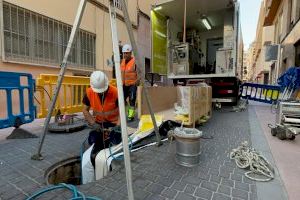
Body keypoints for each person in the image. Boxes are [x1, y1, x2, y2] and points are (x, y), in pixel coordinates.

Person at [81, 71, 121, 184]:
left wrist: (118, 126)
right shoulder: (89, 92)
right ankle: (96, 156)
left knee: (116, 140)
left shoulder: (116, 92)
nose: (101, 93)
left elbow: (124, 110)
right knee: (93, 140)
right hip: (99, 123)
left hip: (113, 123)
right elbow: (85, 109)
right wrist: (93, 123)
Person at [121, 44, 139, 121]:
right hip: (123, 85)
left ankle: (130, 116)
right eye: (124, 53)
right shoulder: (122, 62)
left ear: (130, 53)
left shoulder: (135, 62)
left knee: (132, 100)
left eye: (127, 53)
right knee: (122, 100)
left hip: (132, 85)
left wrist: (137, 82)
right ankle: (125, 112)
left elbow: (140, 73)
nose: (125, 54)